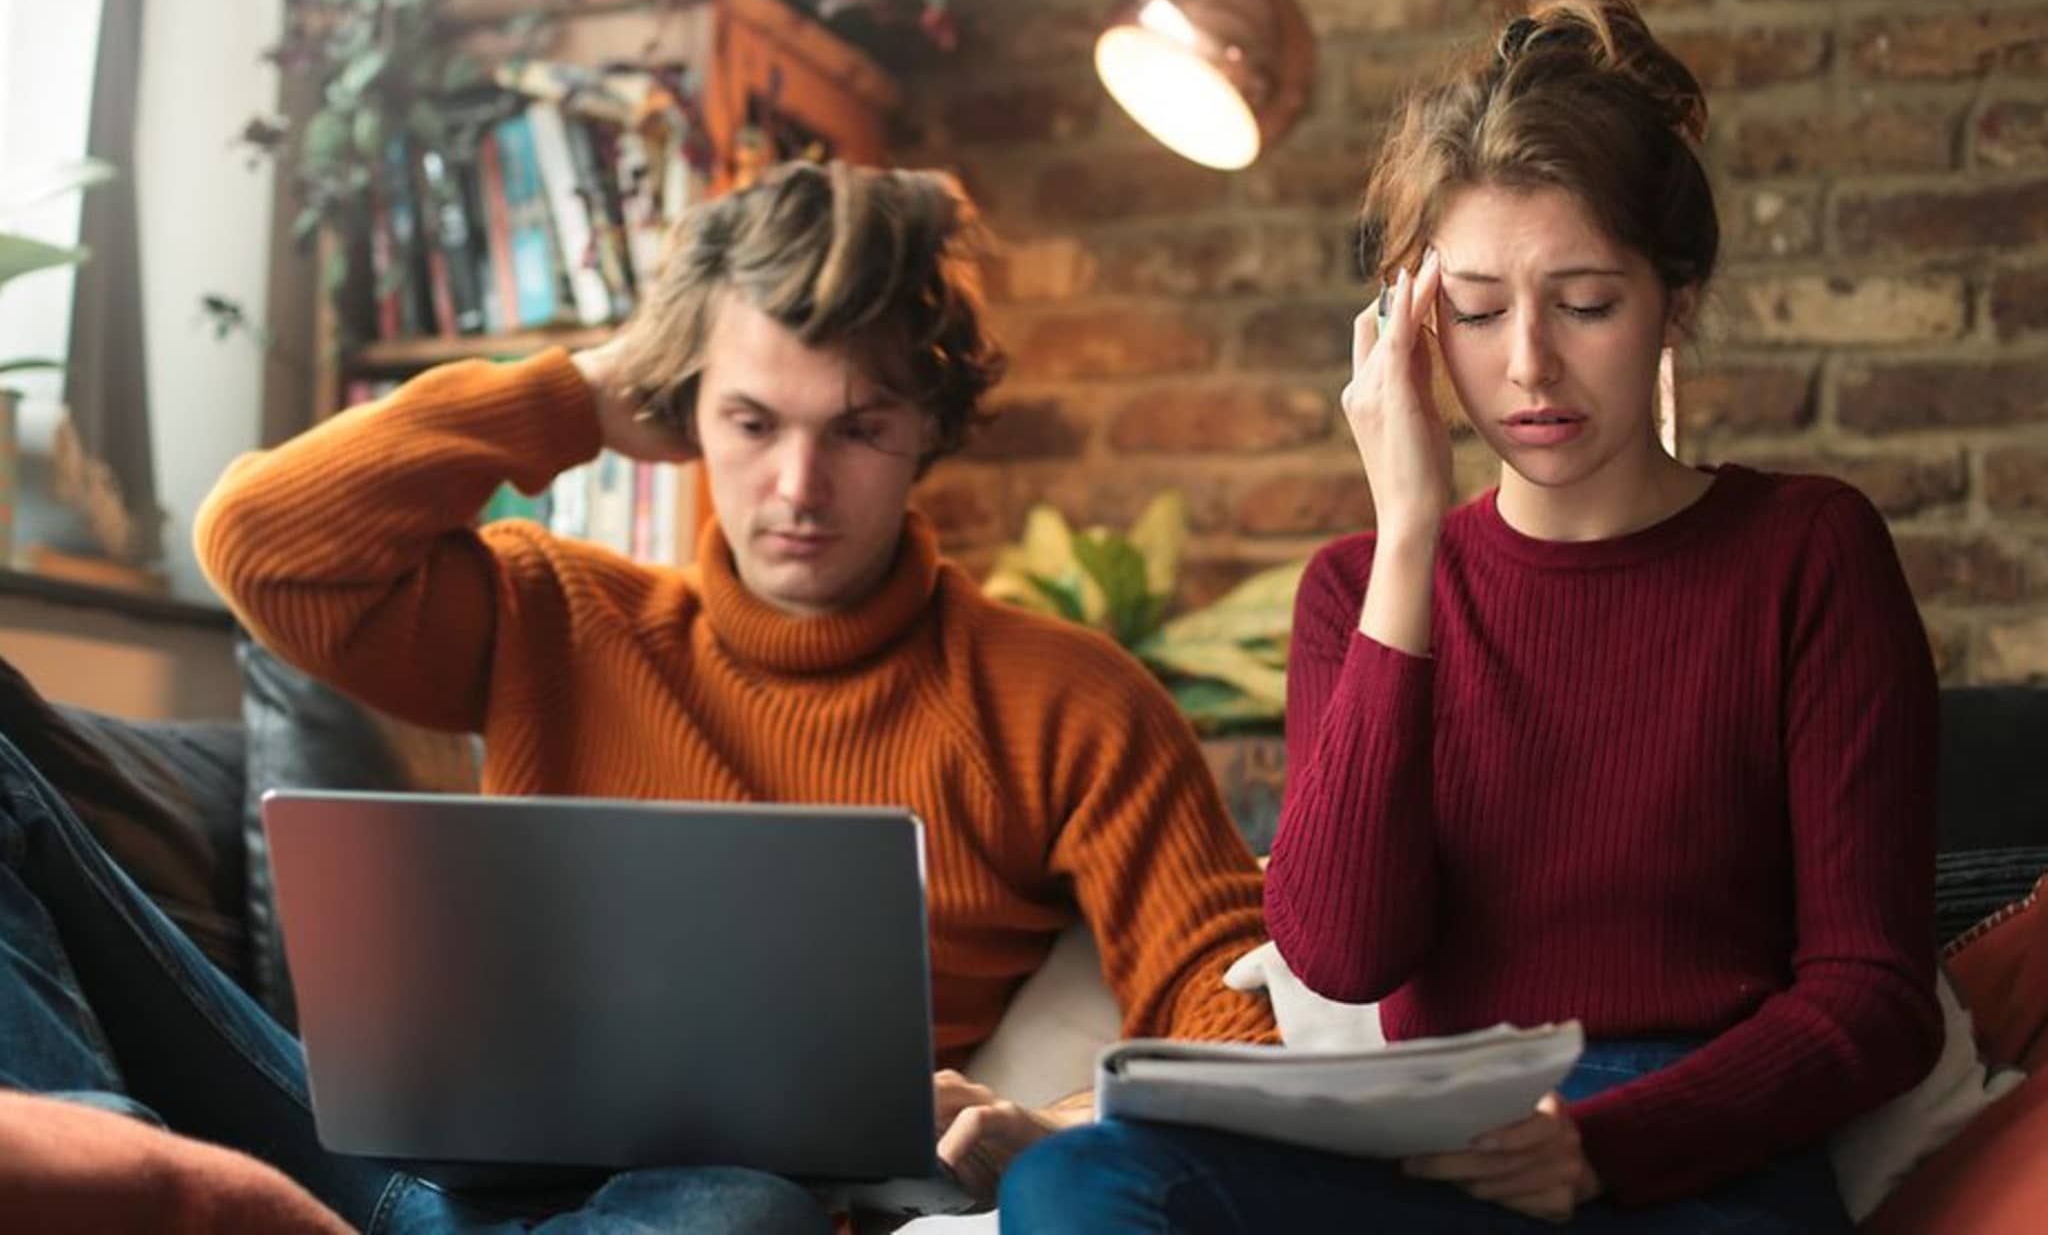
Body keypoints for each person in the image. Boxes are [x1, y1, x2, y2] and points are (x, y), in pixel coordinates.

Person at [0, 160, 1273, 1232]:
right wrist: (583, 392)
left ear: (932, 425)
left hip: (729, 1198)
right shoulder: (552, 611)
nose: (796, 484)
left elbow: (1237, 1005)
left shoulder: (1062, 700)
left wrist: (1052, 1127)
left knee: (741, 1201)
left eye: (858, 427)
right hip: (400, 1174)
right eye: (750, 418)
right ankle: (97, 1154)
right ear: (681, 412)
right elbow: (263, 542)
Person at [1000, 0, 1942, 1234]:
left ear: (1675, 300)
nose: (1527, 366)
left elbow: (1871, 993)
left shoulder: (1804, 552)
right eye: (1480, 311)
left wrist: (1603, 1144)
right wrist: (1405, 537)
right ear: (1409, 327)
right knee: (1075, 1179)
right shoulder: (1356, 588)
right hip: (1431, 1143)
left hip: (1693, 1154)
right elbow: (1337, 953)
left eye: (1586, 303)